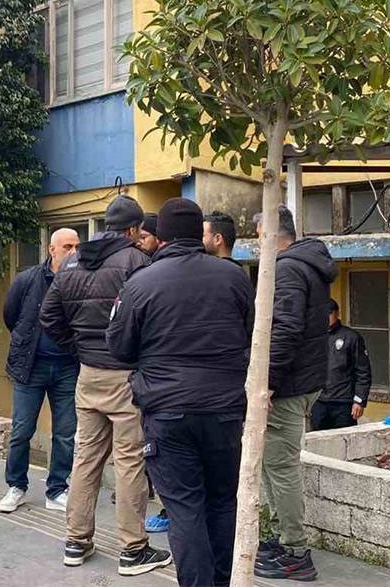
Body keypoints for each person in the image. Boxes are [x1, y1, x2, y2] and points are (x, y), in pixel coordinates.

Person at [107, 198, 255, 587]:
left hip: (167, 411)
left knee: (184, 507)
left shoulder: (141, 282)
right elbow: (250, 334)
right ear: (198, 234)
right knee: (222, 502)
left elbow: (119, 347)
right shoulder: (234, 277)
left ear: (162, 236)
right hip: (224, 410)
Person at [39, 194, 170, 575]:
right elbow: (152, 319)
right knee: (129, 461)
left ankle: (76, 541)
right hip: (126, 374)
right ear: (133, 230)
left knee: (86, 457)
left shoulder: (72, 261)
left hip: (88, 373)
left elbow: (49, 317)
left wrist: (78, 348)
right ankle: (133, 549)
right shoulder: (137, 262)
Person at [254, 205, 336, 581]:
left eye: (259, 237)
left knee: (281, 467)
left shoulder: (287, 268)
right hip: (304, 379)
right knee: (273, 465)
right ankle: (280, 537)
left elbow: (285, 328)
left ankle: (295, 551)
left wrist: (267, 383)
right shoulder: (308, 264)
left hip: (288, 385)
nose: (258, 245)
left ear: (272, 234)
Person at [0, 227, 82, 514]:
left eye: (77, 246)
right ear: (52, 249)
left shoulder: (82, 280)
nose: (73, 252)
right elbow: (10, 315)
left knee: (65, 432)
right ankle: (16, 486)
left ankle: (57, 489)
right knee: (22, 429)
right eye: (67, 247)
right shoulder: (28, 279)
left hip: (68, 367)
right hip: (30, 366)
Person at [310, 299, 372, 431]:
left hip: (343, 403)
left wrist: (359, 400)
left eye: (329, 313)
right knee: (317, 439)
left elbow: (363, 372)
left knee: (345, 439)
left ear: (336, 313)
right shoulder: (313, 337)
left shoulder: (351, 337)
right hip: (318, 402)